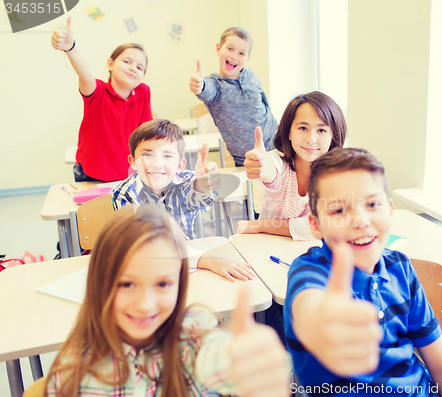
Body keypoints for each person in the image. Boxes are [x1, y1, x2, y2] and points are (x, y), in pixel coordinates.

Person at [44, 205, 290, 397]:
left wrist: (256, 371)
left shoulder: (196, 332)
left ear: (180, 283)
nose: (145, 304)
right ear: (100, 282)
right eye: (127, 284)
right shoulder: (76, 374)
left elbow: (225, 362)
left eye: (163, 284)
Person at [283, 148, 442, 396]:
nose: (360, 220)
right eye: (339, 210)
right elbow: (310, 308)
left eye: (372, 204)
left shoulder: (400, 268)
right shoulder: (309, 271)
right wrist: (322, 325)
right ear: (315, 225)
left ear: (390, 210)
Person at [112, 119, 254, 282]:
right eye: (147, 154)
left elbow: (199, 198)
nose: (157, 164)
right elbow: (148, 245)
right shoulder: (124, 194)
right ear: (133, 162)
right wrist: (207, 260)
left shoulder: (187, 181)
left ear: (180, 165)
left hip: (190, 263)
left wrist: (203, 185)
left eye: (167, 155)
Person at [52, 17, 152, 182]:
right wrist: (70, 48)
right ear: (110, 64)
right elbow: (85, 74)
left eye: (140, 67)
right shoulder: (97, 91)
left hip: (128, 173)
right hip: (91, 173)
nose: (133, 68)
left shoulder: (143, 92)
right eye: (127, 61)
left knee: (127, 209)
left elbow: (146, 133)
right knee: (94, 209)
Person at [238, 91, 347, 241]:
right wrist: (261, 166)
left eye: (321, 130)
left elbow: (320, 228)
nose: (311, 139)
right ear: (289, 132)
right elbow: (271, 170)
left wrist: (261, 225)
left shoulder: (337, 177)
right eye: (303, 128)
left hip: (308, 252)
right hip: (266, 246)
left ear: (332, 137)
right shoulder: (281, 166)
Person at [189, 27, 277, 167]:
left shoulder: (251, 76)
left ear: (247, 59)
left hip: (277, 146)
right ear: (218, 49)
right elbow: (206, 89)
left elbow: (265, 105)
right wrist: (200, 85)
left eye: (241, 53)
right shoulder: (215, 85)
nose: (234, 56)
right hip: (247, 160)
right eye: (230, 49)